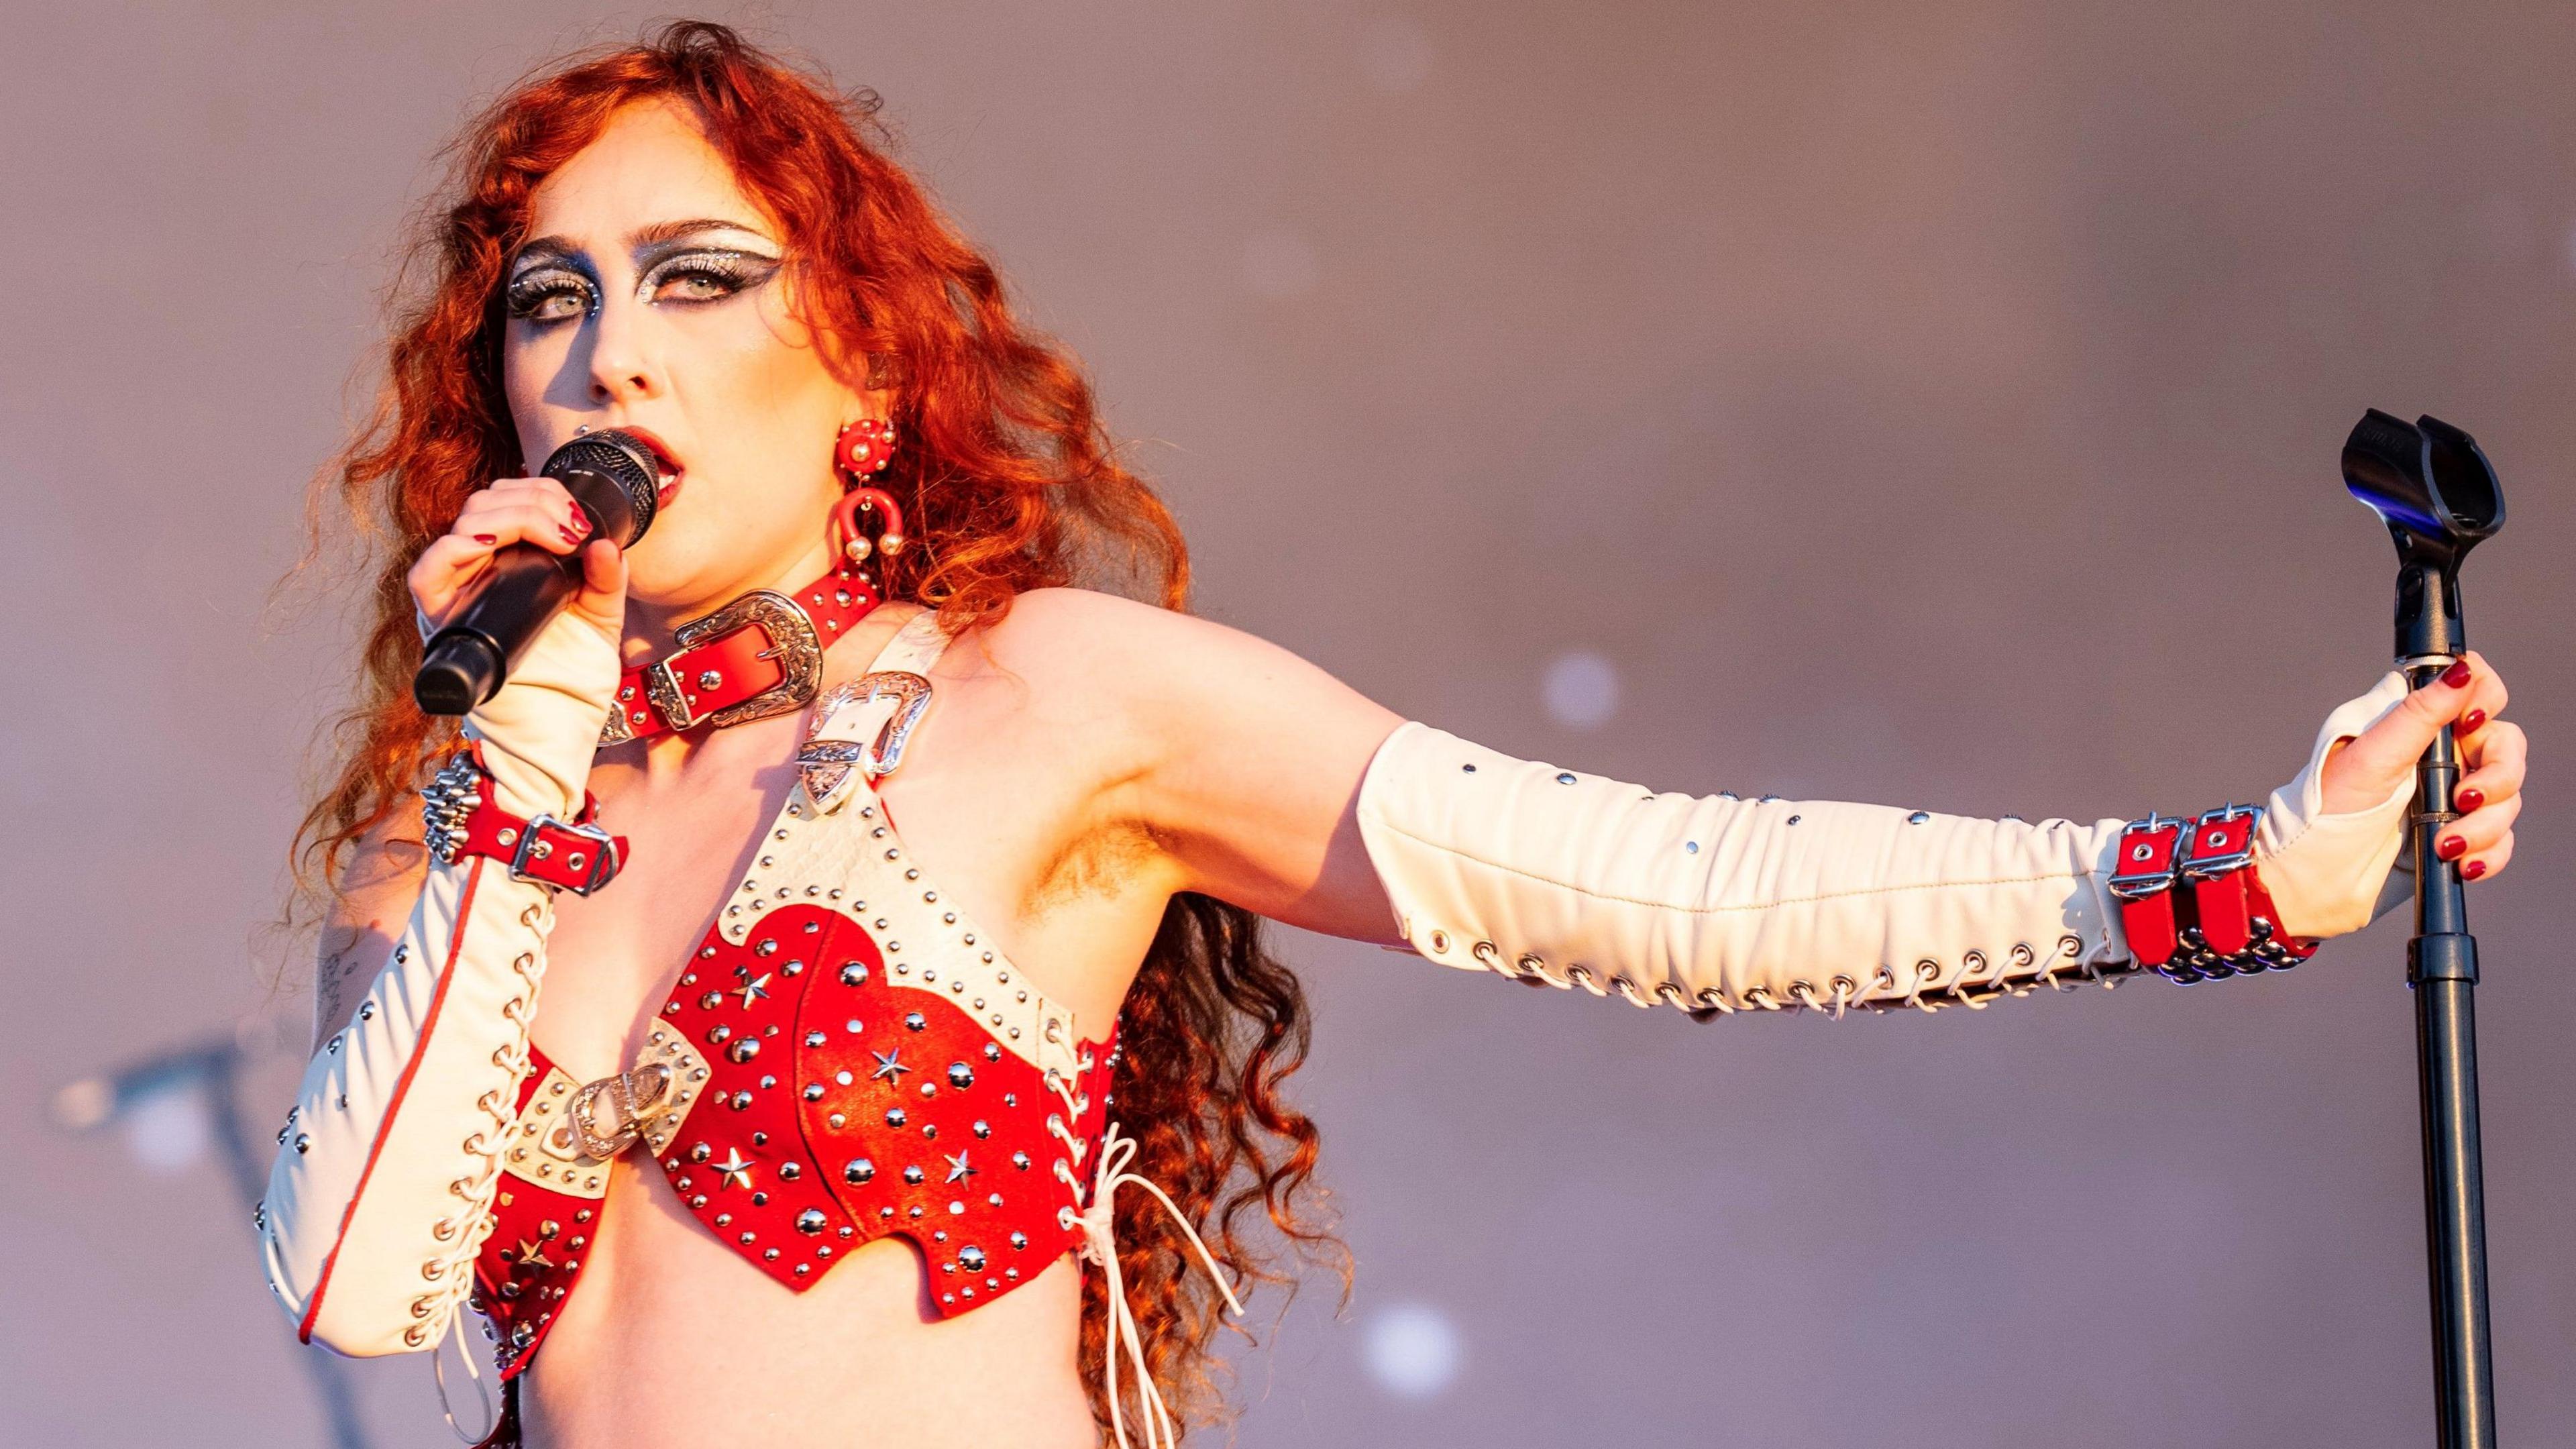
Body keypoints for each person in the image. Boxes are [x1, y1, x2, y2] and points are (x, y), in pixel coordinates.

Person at [254, 22, 2526, 1449]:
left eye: (693, 278)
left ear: (859, 368)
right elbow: (362, 1293)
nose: (604, 359)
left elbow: (1657, 886)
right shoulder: (454, 831)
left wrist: (2247, 870)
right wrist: (517, 761)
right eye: (549, 302)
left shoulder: (1047, 699)